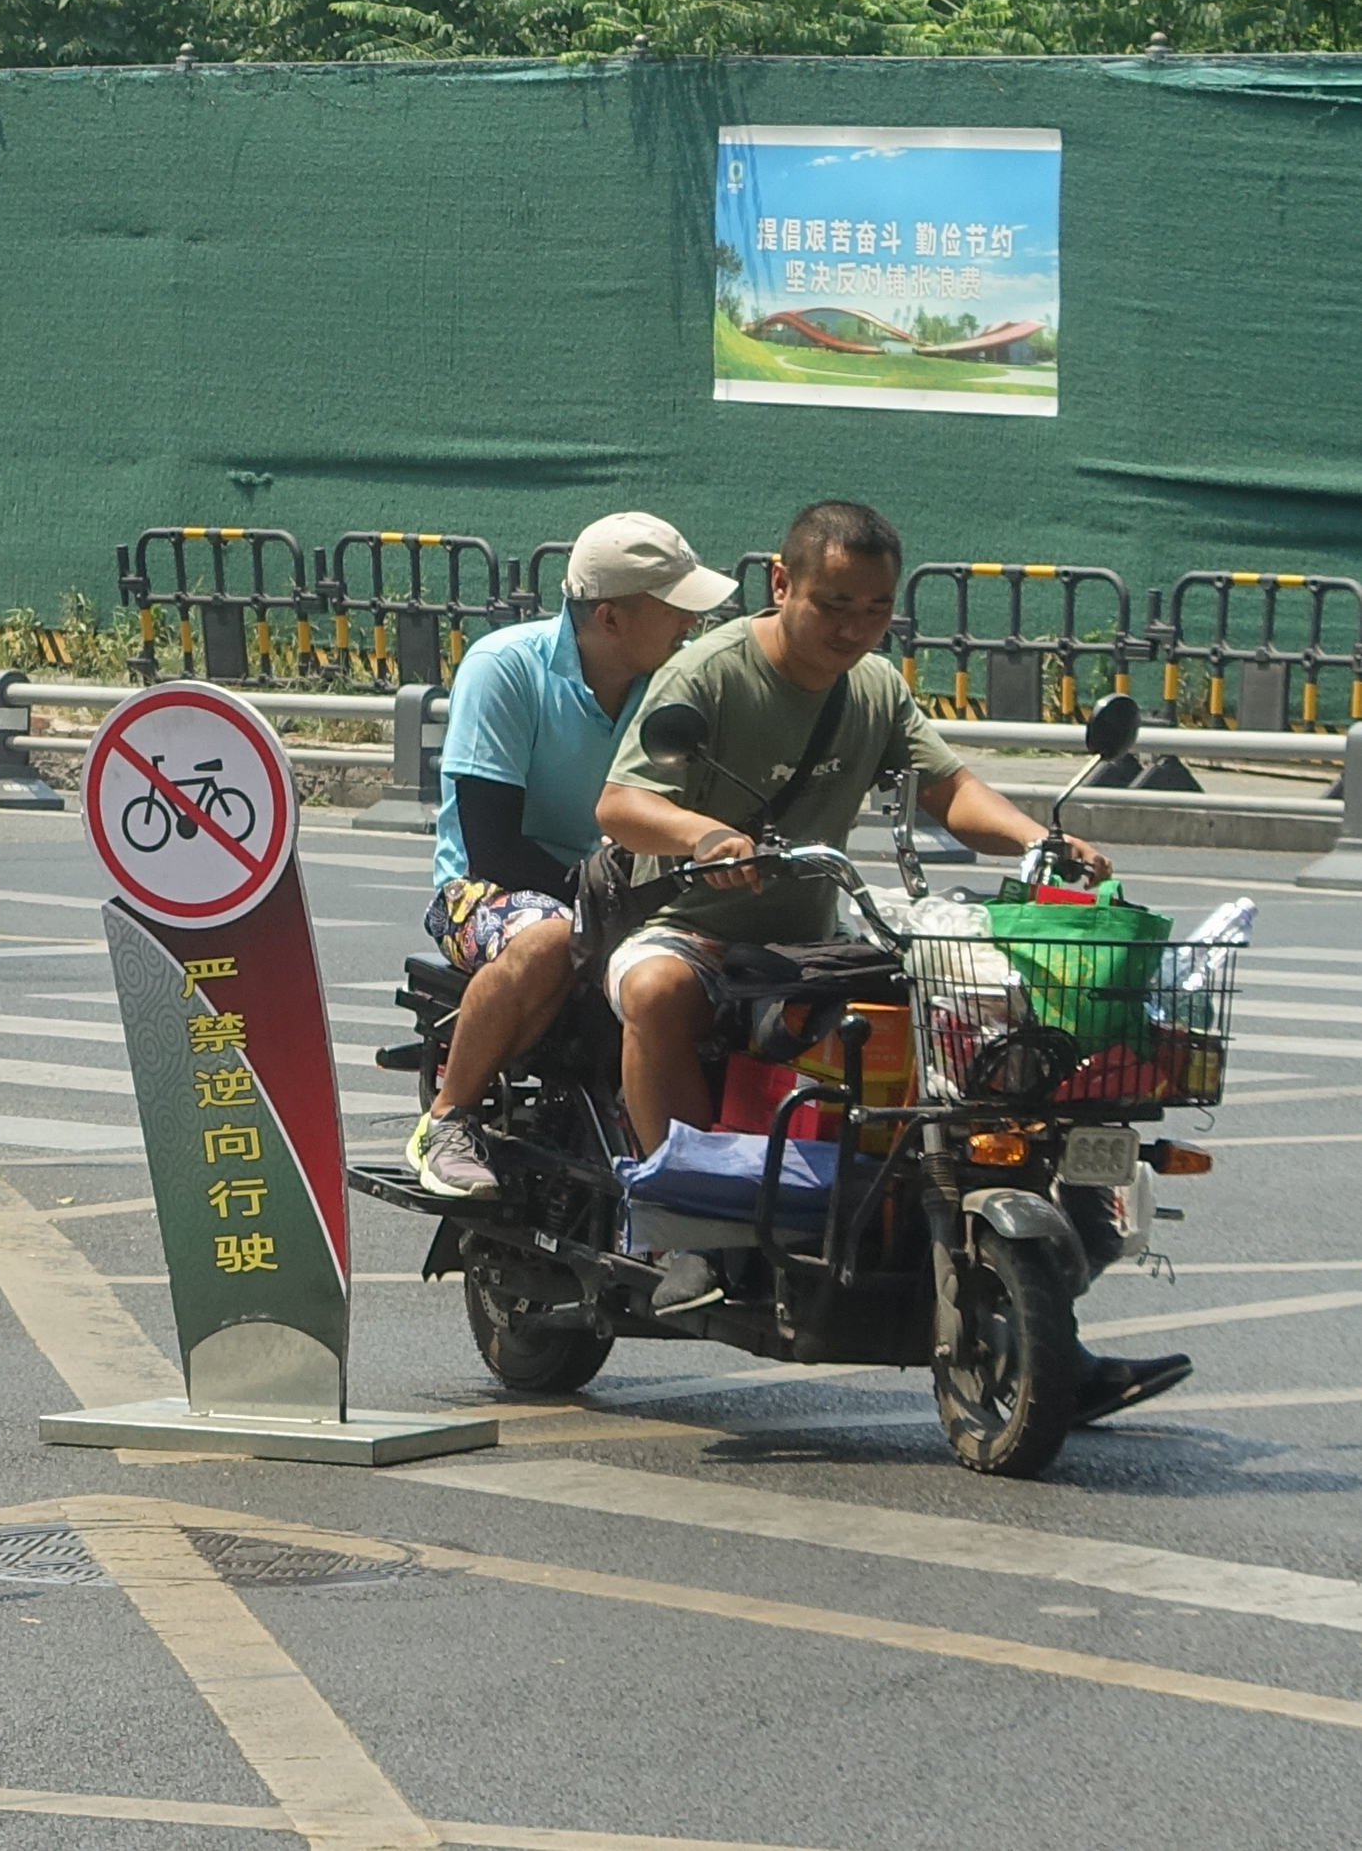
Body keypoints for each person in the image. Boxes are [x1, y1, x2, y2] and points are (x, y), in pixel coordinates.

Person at [590, 500, 1191, 1414]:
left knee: (976, 1015)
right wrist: (705, 835)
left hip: (810, 937)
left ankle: (1010, 1301)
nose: (853, 626)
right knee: (662, 989)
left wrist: (1038, 841)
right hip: (689, 922)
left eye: (874, 608)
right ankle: (687, 1239)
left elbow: (947, 789)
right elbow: (622, 803)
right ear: (781, 583)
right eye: (834, 603)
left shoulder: (873, 686)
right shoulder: (706, 673)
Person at [406, 514, 720, 1198]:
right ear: (611, 617)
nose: (690, 629)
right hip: (484, 893)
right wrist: (602, 908)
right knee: (553, 934)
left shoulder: (668, 685)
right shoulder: (505, 668)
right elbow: (491, 843)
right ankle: (448, 1117)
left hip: (618, 891)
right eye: (676, 612)